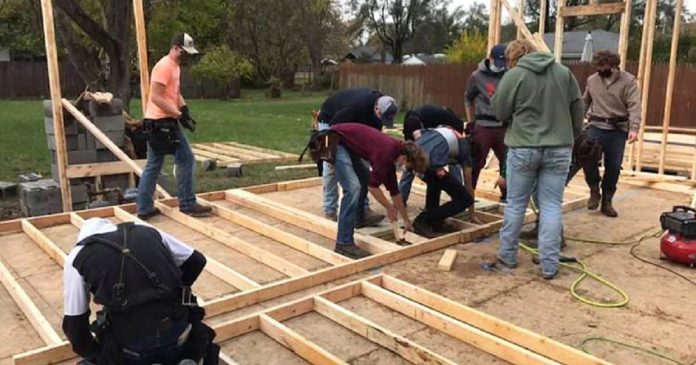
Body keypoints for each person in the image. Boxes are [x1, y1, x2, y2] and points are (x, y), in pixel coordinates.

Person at [62, 218, 219, 364]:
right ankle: (183, 356)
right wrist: (174, 292)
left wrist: (96, 354)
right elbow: (196, 261)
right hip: (178, 330)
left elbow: (75, 326)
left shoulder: (77, 256)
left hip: (132, 347)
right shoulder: (146, 231)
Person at [491, 40, 584, 280]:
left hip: (523, 147)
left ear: (513, 58)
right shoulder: (563, 72)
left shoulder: (515, 76)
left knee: (516, 205)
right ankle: (549, 264)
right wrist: (569, 136)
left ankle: (507, 257)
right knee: (551, 205)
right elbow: (577, 109)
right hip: (559, 148)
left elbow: (500, 112)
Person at [137, 33, 211, 220]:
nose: (186, 56)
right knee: (186, 159)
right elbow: (155, 97)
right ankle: (187, 204)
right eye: (184, 52)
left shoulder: (175, 67)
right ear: (175, 47)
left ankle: (144, 208)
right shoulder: (164, 66)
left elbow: (173, 94)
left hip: (163, 121)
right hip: (160, 122)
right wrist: (178, 115)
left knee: (153, 165)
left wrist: (183, 108)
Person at [330, 123, 428, 259]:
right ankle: (344, 243)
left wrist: (406, 220)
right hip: (334, 140)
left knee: (364, 177)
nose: (405, 168)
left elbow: (395, 192)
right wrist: (388, 208)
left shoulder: (392, 153)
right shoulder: (387, 153)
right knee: (353, 188)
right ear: (405, 157)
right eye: (408, 166)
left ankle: (358, 218)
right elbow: (373, 187)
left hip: (346, 143)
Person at [317, 87, 399, 224]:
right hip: (329, 122)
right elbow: (334, 127)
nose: (382, 121)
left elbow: (373, 139)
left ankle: (363, 209)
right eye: (382, 117)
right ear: (377, 109)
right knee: (331, 165)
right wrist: (330, 151)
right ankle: (330, 210)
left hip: (354, 124)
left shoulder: (382, 107)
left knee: (363, 168)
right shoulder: (356, 106)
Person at [582, 50, 641, 217]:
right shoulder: (592, 80)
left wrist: (634, 128)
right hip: (596, 126)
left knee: (613, 167)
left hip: (617, 130)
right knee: (587, 158)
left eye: (604, 67)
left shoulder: (628, 81)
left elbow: (634, 105)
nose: (600, 70)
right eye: (598, 67)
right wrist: (577, 120)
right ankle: (594, 189)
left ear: (615, 66)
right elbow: (585, 101)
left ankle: (607, 201)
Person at [406, 127, 475, 237]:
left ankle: (433, 222)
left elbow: (417, 132)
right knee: (465, 200)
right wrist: (472, 213)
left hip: (417, 154)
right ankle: (423, 220)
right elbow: (468, 183)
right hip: (428, 161)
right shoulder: (465, 151)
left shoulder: (451, 131)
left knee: (434, 184)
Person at [465, 44, 508, 201]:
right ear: (490, 59)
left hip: (503, 126)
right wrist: (470, 122)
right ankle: (469, 197)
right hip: (483, 125)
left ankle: (506, 194)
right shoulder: (477, 76)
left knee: (507, 163)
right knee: (476, 162)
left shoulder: (508, 74)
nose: (501, 66)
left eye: (504, 62)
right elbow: (468, 99)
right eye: (498, 62)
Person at [400, 104, 464, 203]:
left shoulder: (450, 122)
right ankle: (402, 198)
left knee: (452, 164)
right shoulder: (414, 121)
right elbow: (411, 149)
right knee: (412, 159)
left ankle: (459, 197)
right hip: (432, 131)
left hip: (451, 136)